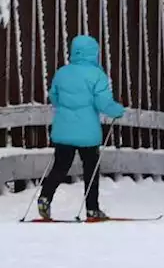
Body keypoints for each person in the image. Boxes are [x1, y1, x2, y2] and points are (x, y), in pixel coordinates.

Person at [38, 34, 126, 221]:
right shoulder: (97, 75)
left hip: (64, 131)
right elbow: (103, 103)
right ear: (93, 53)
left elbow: (54, 98)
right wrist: (117, 110)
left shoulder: (62, 73)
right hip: (87, 133)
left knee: (60, 167)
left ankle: (45, 197)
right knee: (91, 170)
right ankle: (92, 209)